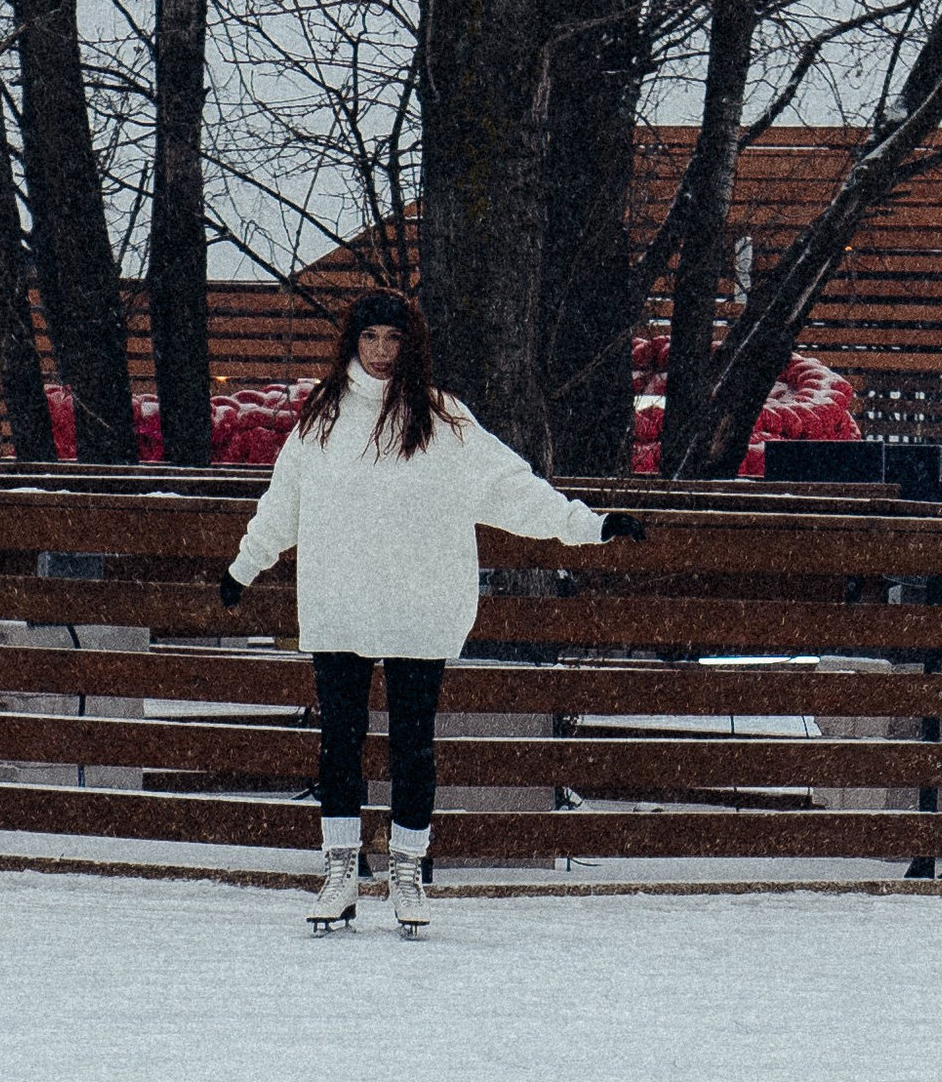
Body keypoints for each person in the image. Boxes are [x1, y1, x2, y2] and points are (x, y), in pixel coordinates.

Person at [219, 290, 646, 932]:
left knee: (413, 746)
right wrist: (244, 567)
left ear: (410, 344)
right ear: (352, 344)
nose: (382, 352)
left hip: (419, 602)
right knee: (340, 743)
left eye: (394, 339)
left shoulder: (444, 421)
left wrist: (588, 525)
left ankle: (408, 870)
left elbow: (511, 488)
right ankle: (340, 869)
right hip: (342, 599)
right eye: (370, 339)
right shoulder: (323, 418)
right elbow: (285, 502)